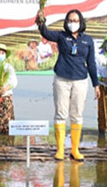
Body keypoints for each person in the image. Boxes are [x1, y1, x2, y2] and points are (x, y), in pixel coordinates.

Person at [36, 9, 100, 161]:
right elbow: (45, 33)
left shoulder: (88, 40)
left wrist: (96, 85)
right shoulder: (61, 36)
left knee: (77, 115)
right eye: (70, 20)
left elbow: (91, 63)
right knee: (61, 114)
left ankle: (75, 149)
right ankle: (59, 149)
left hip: (80, 81)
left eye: (76, 20)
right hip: (62, 80)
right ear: (66, 22)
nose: (73, 23)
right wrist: (41, 21)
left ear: (81, 22)